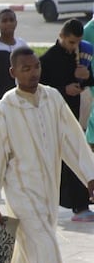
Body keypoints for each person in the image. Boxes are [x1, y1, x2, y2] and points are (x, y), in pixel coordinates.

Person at [0, 47, 94, 263]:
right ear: (13, 72)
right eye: (25, 69)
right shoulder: (5, 108)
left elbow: (71, 138)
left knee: (30, 249)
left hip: (48, 190)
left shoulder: (52, 98)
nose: (33, 73)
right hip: (19, 191)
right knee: (46, 245)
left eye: (35, 67)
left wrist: (90, 176)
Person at [41, 19, 94, 221]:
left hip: (72, 116)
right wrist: (64, 90)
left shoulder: (80, 55)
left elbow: (88, 81)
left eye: (78, 42)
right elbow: (41, 89)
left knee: (77, 157)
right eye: (71, 42)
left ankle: (80, 206)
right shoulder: (47, 60)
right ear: (61, 36)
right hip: (52, 118)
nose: (75, 47)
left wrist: (86, 76)